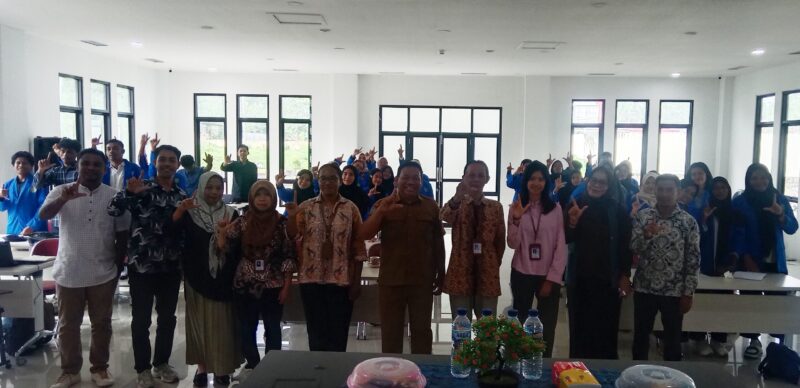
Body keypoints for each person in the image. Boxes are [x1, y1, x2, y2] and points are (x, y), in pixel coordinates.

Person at [39, 149, 130, 388]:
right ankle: (70, 371)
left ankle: (100, 368)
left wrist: (118, 267)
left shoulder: (115, 196)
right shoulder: (62, 191)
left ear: (104, 168)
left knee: (102, 324)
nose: (90, 168)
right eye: (86, 164)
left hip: (103, 271)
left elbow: (122, 234)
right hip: (69, 271)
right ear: (78, 166)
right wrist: (63, 199)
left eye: (96, 165)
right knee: (69, 325)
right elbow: (43, 214)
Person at [107, 144, 187, 388]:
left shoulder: (181, 196)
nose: (166, 163)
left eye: (171, 160)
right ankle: (142, 368)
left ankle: (161, 363)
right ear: (155, 161)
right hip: (141, 265)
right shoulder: (141, 187)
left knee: (167, 319)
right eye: (162, 159)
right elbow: (112, 209)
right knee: (141, 320)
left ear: (177, 165)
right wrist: (129, 194)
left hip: (170, 267)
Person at [359, 161, 445, 354]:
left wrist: (441, 272)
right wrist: (382, 211)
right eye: (406, 177)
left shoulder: (431, 206)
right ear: (397, 180)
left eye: (416, 178)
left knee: (422, 331)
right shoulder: (383, 205)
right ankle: (392, 376)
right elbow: (365, 233)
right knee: (391, 331)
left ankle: (422, 373)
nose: (411, 182)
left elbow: (438, 242)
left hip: (422, 280)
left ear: (421, 181)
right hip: (391, 280)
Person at [221, 180, 296, 382]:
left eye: (267, 195)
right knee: (247, 327)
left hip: (273, 285)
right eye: (258, 195)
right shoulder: (243, 221)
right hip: (245, 285)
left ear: (273, 198)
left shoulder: (282, 223)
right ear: (252, 198)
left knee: (272, 327)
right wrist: (221, 234)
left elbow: (289, 256)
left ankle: (273, 366)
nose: (262, 199)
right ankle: (252, 365)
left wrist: (287, 286)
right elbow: (225, 245)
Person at [171, 172, 241, 386]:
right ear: (201, 188)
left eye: (218, 188)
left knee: (222, 325)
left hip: (223, 279)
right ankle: (202, 368)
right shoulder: (190, 212)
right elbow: (172, 233)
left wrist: (222, 239)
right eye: (209, 187)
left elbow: (237, 248)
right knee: (198, 325)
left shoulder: (231, 213)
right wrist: (180, 210)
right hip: (196, 276)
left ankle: (222, 369)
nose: (214, 192)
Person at [292, 163, 366, 351]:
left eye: (332, 178)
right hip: (311, 279)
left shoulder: (351, 209)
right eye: (323, 178)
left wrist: (356, 281)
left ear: (340, 181)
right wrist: (292, 216)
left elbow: (358, 245)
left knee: (338, 334)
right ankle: (319, 376)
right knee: (316, 334)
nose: (328, 182)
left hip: (341, 280)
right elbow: (292, 236)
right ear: (318, 181)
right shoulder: (306, 207)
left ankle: (335, 376)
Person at [630, 174, 700, 362]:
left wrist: (688, 292)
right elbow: (633, 248)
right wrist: (646, 235)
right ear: (655, 191)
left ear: (678, 193)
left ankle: (673, 378)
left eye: (670, 190)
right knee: (641, 338)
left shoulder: (688, 222)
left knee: (673, 340)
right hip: (645, 288)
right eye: (660, 189)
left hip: (674, 291)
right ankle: (637, 376)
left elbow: (693, 259)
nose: (664, 194)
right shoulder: (643, 217)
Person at [565, 165, 632, 359]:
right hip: (580, 281)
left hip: (607, 282)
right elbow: (565, 238)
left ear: (610, 185)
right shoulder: (575, 204)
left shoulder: (617, 211)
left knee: (605, 333)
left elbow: (624, 246)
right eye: (594, 180)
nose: (597, 185)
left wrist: (625, 275)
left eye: (603, 182)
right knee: (580, 332)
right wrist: (572, 223)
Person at [733, 163, 798, 359]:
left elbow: (792, 227)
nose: (759, 181)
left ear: (769, 179)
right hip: (750, 259)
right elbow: (737, 233)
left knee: (777, 301)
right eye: (754, 178)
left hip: (774, 259)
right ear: (748, 180)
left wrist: (780, 213)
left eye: (763, 178)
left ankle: (778, 343)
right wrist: (745, 258)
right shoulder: (740, 202)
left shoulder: (778, 198)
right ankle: (754, 340)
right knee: (750, 302)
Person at [507, 161, 566, 358]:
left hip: (547, 275)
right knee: (521, 322)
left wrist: (551, 279)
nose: (536, 183)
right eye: (532, 178)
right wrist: (515, 220)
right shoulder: (517, 206)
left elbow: (560, 246)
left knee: (546, 326)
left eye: (541, 179)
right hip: (521, 272)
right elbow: (513, 244)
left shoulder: (555, 209)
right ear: (525, 181)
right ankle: (520, 361)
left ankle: (543, 363)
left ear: (546, 182)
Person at [441, 161, 505, 319]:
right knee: (461, 328)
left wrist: (493, 264)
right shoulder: (457, 204)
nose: (476, 179)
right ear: (463, 178)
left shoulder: (495, 207)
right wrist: (456, 197)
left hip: (488, 275)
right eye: (471, 175)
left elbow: (500, 242)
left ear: (487, 179)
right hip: (460, 274)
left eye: (480, 175)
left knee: (488, 330)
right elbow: (444, 216)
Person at [687, 176, 738, 357]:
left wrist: (732, 259)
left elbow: (737, 236)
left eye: (723, 187)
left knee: (722, 303)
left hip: (726, 266)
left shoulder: (733, 211)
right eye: (716, 188)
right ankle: (698, 339)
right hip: (706, 264)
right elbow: (696, 235)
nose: (719, 191)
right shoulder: (705, 208)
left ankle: (719, 339)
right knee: (702, 301)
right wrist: (705, 220)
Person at [1, 151, 47, 235]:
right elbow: (2, 208)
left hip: (34, 231)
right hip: (13, 230)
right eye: (18, 163)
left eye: (25, 163)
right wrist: (1, 198)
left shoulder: (39, 183)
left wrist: (32, 226)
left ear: (31, 166)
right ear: (13, 165)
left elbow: (44, 207)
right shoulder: (8, 184)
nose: (21, 165)